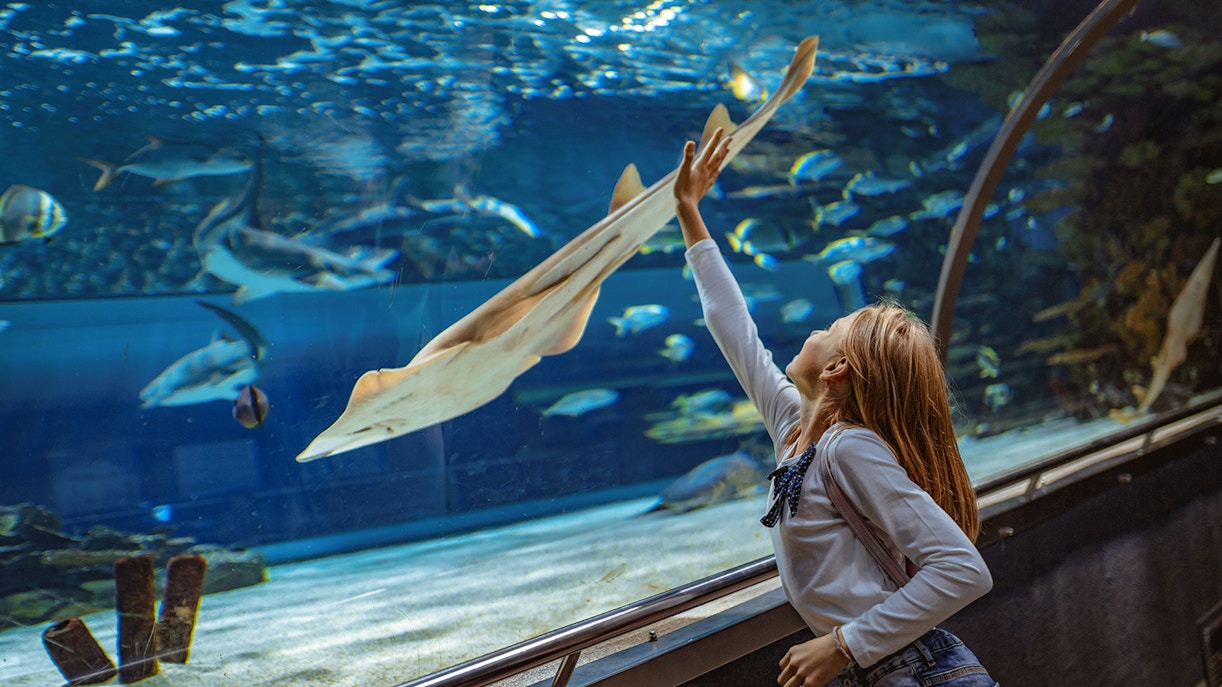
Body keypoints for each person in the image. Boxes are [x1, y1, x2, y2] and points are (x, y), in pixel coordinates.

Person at [673, 128, 996, 687]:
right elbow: (732, 326)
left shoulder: (850, 447)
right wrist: (688, 212)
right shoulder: (796, 430)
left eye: (829, 329)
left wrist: (846, 645)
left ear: (836, 369)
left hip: (910, 670)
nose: (815, 328)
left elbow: (964, 569)